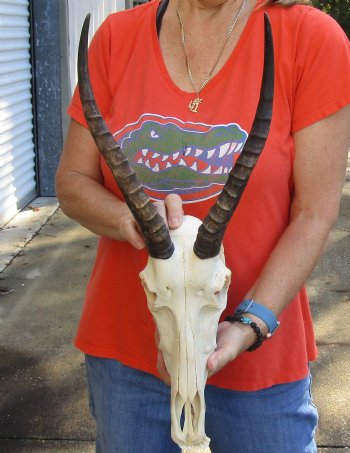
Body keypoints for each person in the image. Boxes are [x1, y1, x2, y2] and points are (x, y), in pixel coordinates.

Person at [56, 0, 350, 451]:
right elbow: (73, 181)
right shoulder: (116, 39)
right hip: (128, 361)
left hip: (254, 363)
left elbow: (314, 212)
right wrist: (126, 216)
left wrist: (249, 324)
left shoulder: (310, 39)